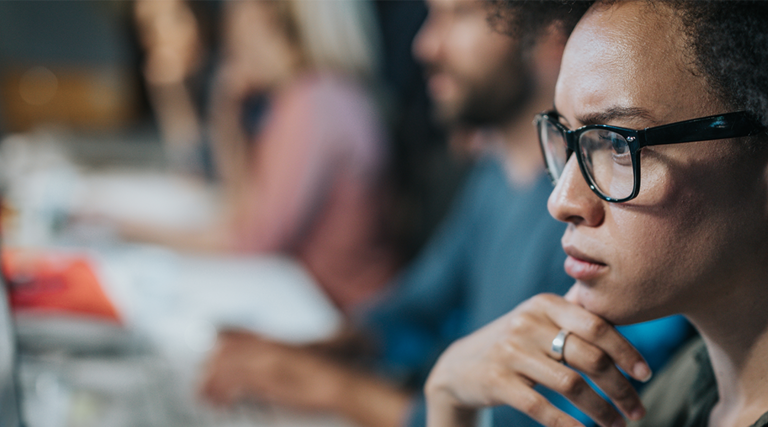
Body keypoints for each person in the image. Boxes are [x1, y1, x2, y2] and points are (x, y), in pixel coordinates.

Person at [200, 1, 690, 427]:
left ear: (545, 35)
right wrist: (309, 353)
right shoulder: (495, 172)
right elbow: (418, 309)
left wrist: (331, 387)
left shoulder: (606, 213)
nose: (425, 45)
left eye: (457, 15)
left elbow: (531, 418)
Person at [424, 1, 768, 427]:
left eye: (617, 145)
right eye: (566, 137)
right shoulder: (692, 390)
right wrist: (448, 399)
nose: (562, 201)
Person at [123, 0, 400, 312]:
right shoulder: (310, 95)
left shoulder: (314, 103)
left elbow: (249, 242)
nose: (228, 28)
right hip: (313, 304)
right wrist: (227, 115)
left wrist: (122, 230)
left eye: (238, 9)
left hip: (345, 320)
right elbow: (240, 208)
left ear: (268, 14)